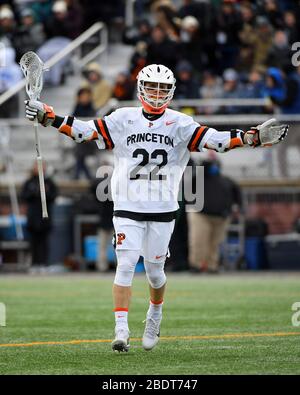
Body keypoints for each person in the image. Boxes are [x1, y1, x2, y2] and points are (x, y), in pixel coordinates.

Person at [24, 63, 288, 353]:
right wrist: (50, 117)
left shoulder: (180, 123)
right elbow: (84, 132)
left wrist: (248, 138)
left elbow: (216, 141)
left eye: (163, 88)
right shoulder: (123, 118)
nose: (157, 93)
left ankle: (155, 314)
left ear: (171, 92)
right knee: (124, 265)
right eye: (152, 87)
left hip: (162, 207)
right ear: (141, 88)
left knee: (155, 273)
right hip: (126, 204)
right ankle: (121, 329)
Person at [188, 157, 242, 273]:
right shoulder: (199, 178)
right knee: (199, 241)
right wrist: (202, 166)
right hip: (201, 214)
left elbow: (237, 195)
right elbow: (188, 184)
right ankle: (196, 266)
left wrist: (238, 209)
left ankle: (212, 266)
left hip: (221, 217)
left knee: (216, 243)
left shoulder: (226, 181)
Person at [20, 162, 57, 267]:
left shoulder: (49, 182)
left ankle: (44, 263)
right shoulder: (29, 182)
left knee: (44, 242)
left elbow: (54, 196)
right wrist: (34, 192)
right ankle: (34, 263)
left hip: (45, 217)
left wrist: (46, 192)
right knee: (33, 242)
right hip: (32, 217)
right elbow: (24, 196)